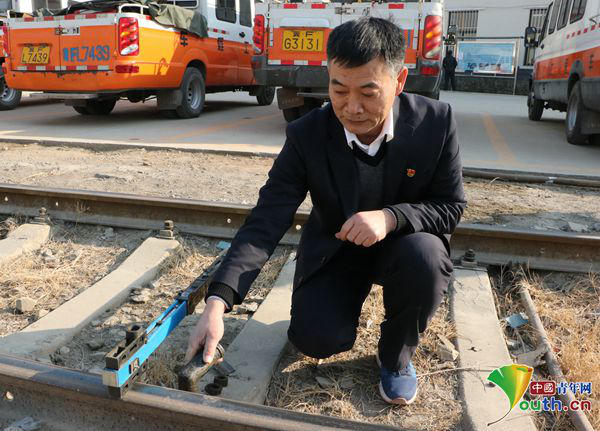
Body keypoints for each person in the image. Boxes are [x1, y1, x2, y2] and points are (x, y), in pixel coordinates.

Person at [186, 17, 466, 406]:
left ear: (399, 81)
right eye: (338, 90)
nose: (352, 107)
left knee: (427, 257)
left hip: (404, 247)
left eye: (368, 92)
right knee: (316, 340)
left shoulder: (435, 123)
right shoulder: (308, 134)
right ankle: (333, 308)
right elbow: (267, 219)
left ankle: (395, 358)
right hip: (336, 251)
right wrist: (218, 302)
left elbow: (450, 207)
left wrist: (390, 218)